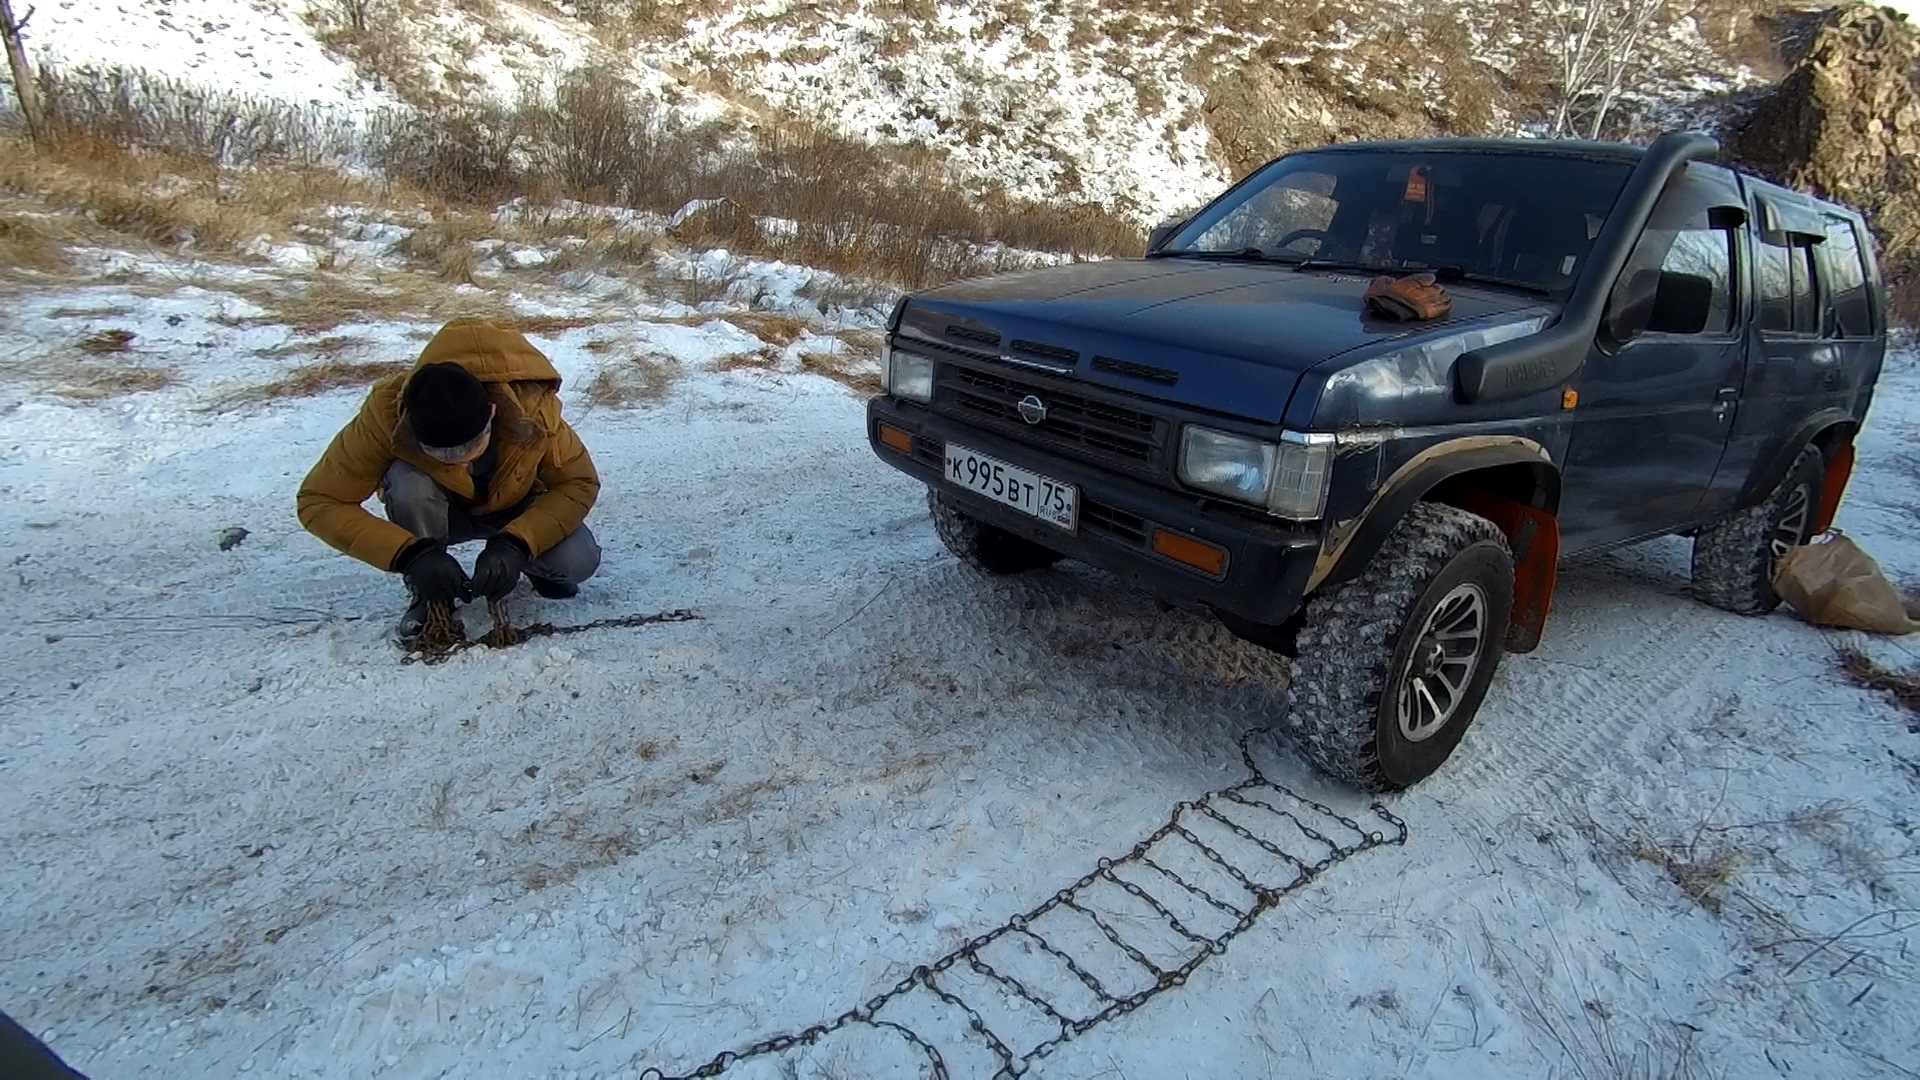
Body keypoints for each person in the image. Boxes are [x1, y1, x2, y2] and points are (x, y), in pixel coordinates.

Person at [297, 319, 602, 636]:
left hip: (515, 507)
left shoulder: (531, 407)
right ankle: (432, 591)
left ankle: (530, 566)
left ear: (492, 413)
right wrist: (410, 556)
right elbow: (320, 501)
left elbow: (578, 482)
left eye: (472, 445)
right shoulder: (386, 415)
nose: (461, 459)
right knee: (407, 481)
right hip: (435, 512)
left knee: (576, 561)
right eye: (443, 454)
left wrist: (519, 544)